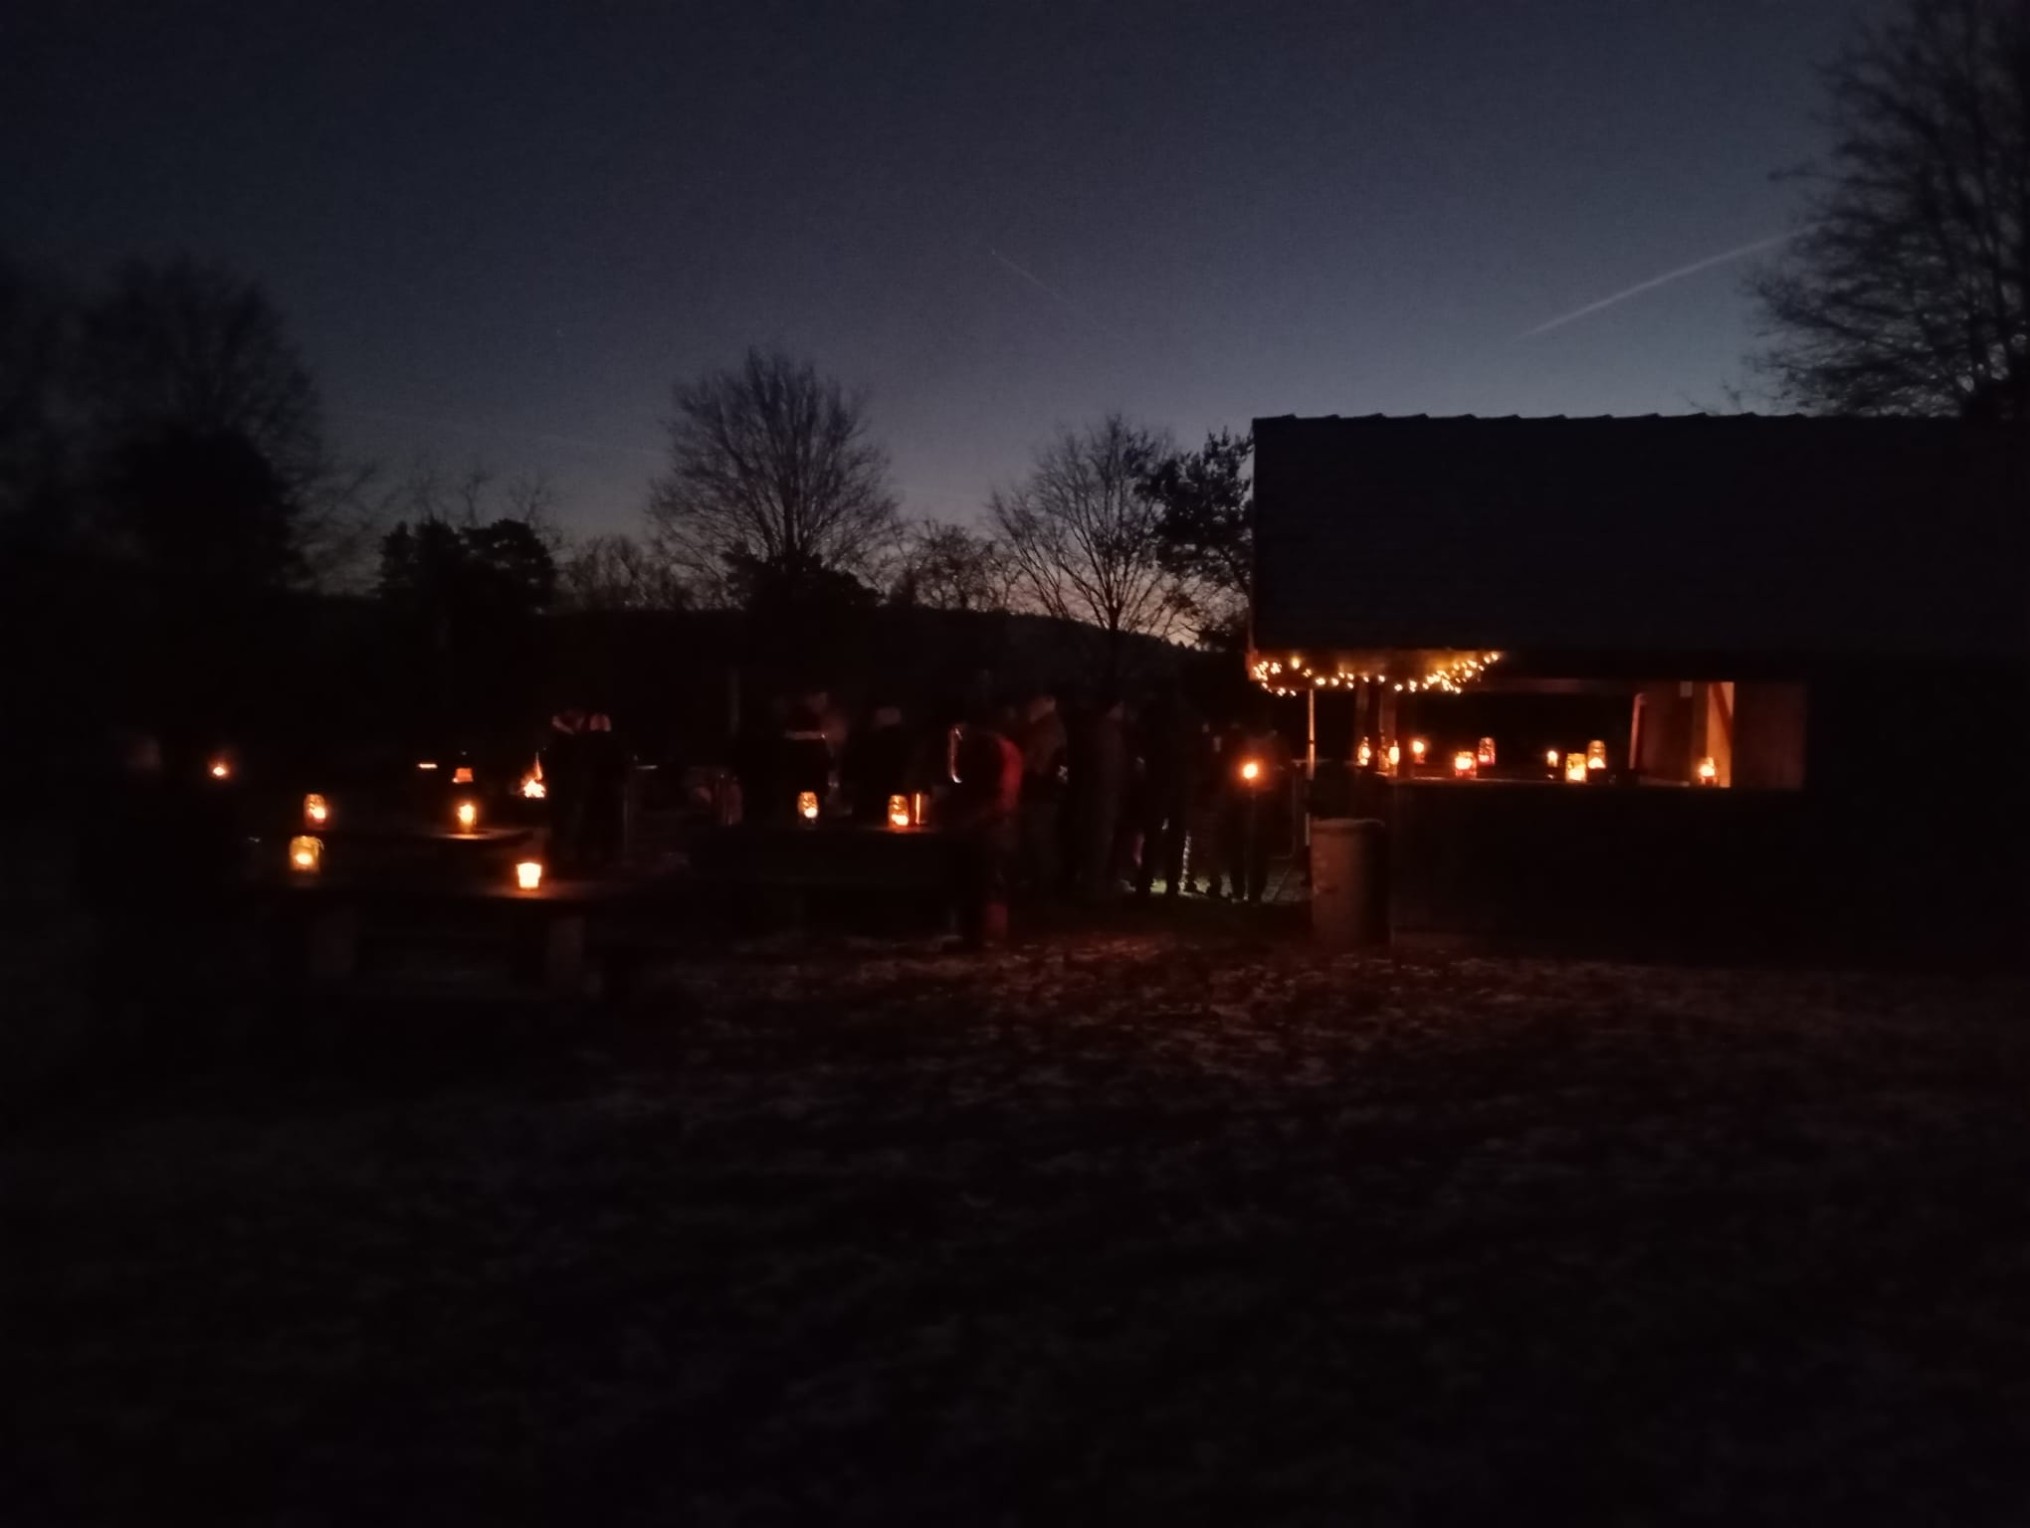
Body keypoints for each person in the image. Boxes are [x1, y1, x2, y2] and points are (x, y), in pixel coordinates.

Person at [945, 702, 1023, 949]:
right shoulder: (1000, 748)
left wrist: (974, 818)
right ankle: (980, 934)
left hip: (991, 826)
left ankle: (984, 935)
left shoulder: (992, 748)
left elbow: (1000, 795)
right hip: (990, 824)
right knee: (982, 880)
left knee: (986, 881)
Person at [1133, 690, 1196, 899]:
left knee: (1154, 834)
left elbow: (1141, 741)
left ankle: (1145, 884)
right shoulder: (1189, 716)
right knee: (1175, 835)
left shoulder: (1154, 714)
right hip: (1179, 781)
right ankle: (1170, 887)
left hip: (1160, 779)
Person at [1070, 692, 1130, 901]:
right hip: (1102, 796)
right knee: (1098, 842)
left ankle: (1088, 884)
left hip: (1097, 794)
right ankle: (1091, 888)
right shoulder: (1108, 733)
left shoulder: (1095, 731)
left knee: (1094, 840)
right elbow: (1110, 768)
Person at [1223, 708, 1287, 903]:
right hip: (1240, 797)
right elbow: (1229, 763)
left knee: (1259, 845)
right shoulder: (1239, 739)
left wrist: (1277, 773)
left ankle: (1255, 892)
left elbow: (1285, 766)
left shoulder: (1276, 741)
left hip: (1265, 797)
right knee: (1238, 845)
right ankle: (1238, 890)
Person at [1015, 690, 1067, 894]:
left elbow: (1030, 762)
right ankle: (1042, 884)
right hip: (1045, 792)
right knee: (1039, 839)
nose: (1030, 706)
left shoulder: (1045, 730)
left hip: (1040, 793)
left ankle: (1044, 886)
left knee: (1040, 839)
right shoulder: (1047, 727)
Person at [842, 703, 912, 825]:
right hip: (890, 803)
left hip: (874, 803)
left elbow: (851, 770)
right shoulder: (902, 744)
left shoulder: (865, 742)